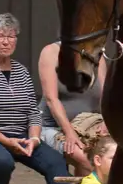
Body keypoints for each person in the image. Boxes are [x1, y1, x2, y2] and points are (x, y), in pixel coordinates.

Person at [0, 13, 73, 184]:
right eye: (0, 36)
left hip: (23, 136)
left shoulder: (21, 71)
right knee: (1, 162)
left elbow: (33, 111)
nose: (6, 41)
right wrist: (5, 141)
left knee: (54, 160)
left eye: (11, 36)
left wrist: (34, 139)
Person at [36, 40, 102, 176]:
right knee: (84, 157)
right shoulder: (51, 52)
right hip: (52, 127)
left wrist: (106, 124)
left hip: (86, 125)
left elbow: (105, 97)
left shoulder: (97, 55)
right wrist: (70, 133)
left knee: (110, 152)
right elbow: (51, 99)